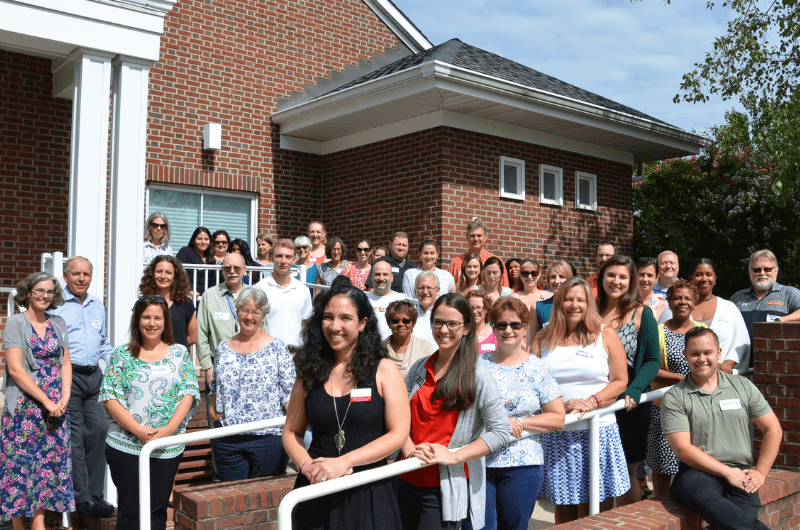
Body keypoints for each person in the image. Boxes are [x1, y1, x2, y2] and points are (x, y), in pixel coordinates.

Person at [282, 286, 410, 530]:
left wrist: (343, 462)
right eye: (328, 317)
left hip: (369, 489)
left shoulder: (384, 370)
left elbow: (398, 434)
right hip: (316, 490)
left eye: (345, 318)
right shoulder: (308, 371)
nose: (334, 326)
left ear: (363, 323)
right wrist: (308, 467)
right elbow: (291, 432)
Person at [398, 293, 512, 530]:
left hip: (443, 488)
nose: (444, 330)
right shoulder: (420, 367)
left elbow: (500, 430)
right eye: (438, 322)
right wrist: (408, 451)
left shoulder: (477, 375)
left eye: (453, 324)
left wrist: (455, 456)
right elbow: (399, 419)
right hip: (405, 478)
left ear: (467, 328)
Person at [662, 327, 782, 530]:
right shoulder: (675, 397)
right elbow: (682, 449)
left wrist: (760, 472)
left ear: (718, 353)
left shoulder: (742, 386)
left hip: (742, 473)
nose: (702, 359)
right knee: (711, 502)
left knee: (735, 524)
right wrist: (727, 472)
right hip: (697, 473)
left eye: (707, 352)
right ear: (686, 356)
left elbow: (773, 429)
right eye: (695, 353)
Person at [532, 277, 629, 523]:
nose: (574, 305)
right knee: (564, 506)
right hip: (558, 433)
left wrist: (592, 402)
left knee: (596, 506)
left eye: (580, 300)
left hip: (598, 429)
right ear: (558, 302)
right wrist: (559, 407)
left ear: (589, 304)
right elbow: (529, 386)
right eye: (568, 299)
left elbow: (619, 381)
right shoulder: (540, 339)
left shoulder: (605, 334)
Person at [100, 296, 199, 530]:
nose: (152, 323)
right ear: (137, 320)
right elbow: (109, 396)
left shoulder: (179, 353)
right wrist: (138, 430)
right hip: (126, 445)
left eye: (157, 318)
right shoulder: (122, 354)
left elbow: (188, 392)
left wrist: (168, 430)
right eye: (146, 317)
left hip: (166, 448)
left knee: (157, 509)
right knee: (130, 510)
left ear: (165, 322)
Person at [481, 297, 565, 530]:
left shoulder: (538, 368)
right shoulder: (477, 365)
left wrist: (519, 422)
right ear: (493, 328)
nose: (508, 330)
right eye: (501, 325)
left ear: (525, 328)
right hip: (481, 462)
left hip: (523, 464)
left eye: (515, 325)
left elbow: (557, 418)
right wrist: (500, 421)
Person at [1, 273, 74, 528]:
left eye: (50, 292)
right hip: (24, 405)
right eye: (40, 290)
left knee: (46, 464)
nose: (45, 295)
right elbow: (16, 370)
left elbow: (65, 362)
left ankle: (39, 522)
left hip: (55, 406)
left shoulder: (59, 322)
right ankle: (20, 526)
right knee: (19, 464)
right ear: (28, 292)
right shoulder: (15, 322)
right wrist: (47, 402)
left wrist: (64, 397)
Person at [51, 256, 114, 519]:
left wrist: (118, 367)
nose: (81, 279)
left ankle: (95, 495)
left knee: (99, 431)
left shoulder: (97, 305)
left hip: (94, 376)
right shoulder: (56, 307)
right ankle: (82, 500)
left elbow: (104, 344)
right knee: (74, 438)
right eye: (76, 274)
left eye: (86, 274)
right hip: (69, 377)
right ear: (65, 276)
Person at [208, 288, 294, 481]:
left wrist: (293, 422)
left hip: (268, 438)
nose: (249, 317)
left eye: (255, 312)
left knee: (264, 497)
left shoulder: (277, 347)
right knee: (231, 498)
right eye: (244, 311)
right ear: (237, 312)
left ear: (263, 315)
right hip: (228, 437)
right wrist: (214, 407)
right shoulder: (223, 347)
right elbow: (215, 385)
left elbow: (289, 391)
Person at [596, 255, 660, 506]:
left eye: (623, 277)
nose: (616, 281)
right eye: (611, 275)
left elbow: (652, 360)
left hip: (629, 406)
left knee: (627, 474)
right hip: (598, 404)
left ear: (631, 281)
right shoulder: (589, 312)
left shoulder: (642, 314)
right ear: (602, 278)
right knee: (598, 474)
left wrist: (634, 390)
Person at [646, 280, 706, 497]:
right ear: (669, 302)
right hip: (665, 408)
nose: (682, 302)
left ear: (694, 303)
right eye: (677, 297)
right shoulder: (657, 331)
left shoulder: (704, 331)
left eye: (687, 298)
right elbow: (650, 368)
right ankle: (661, 510)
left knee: (694, 464)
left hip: (698, 408)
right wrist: (682, 379)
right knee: (662, 464)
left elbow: (711, 365)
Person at [679, 258, 751, 372]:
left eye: (709, 274)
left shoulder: (729, 308)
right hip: (685, 377)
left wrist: (727, 364)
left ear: (715, 278)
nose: (704, 279)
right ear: (690, 278)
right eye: (698, 275)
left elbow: (742, 342)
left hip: (723, 376)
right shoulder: (680, 307)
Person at [730, 249, 800, 349]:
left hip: (775, 360)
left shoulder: (789, 294)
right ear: (750, 272)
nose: (762, 273)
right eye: (757, 270)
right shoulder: (737, 298)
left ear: (776, 271)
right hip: (740, 361)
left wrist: (780, 321)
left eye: (767, 269)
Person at [255, 239, 313, 350]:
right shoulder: (260, 288)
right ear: (272, 258)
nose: (283, 261)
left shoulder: (303, 290)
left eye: (288, 257)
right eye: (279, 256)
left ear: (294, 260)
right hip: (267, 351)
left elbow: (304, 325)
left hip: (295, 353)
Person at [138, 255, 198, 351]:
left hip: (178, 358)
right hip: (150, 356)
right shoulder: (143, 303)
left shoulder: (185, 303)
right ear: (152, 274)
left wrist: (170, 350)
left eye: (168, 273)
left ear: (175, 276)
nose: (163, 276)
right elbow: (138, 333)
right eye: (159, 271)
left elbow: (193, 337)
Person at [448, 219, 509, 287]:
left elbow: (504, 289)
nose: (476, 239)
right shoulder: (456, 262)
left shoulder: (496, 261)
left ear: (485, 237)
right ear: (467, 237)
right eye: (472, 236)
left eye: (479, 236)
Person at [382, 299, 434, 378]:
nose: (400, 324)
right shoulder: (379, 349)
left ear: (413, 323)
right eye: (395, 321)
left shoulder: (425, 347)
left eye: (406, 321)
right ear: (389, 324)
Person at [365, 261, 408, 340]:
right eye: (377, 274)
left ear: (391, 277)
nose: (381, 278)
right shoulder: (364, 299)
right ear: (372, 277)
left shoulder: (402, 299)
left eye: (385, 274)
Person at [530, 259, 574, 332]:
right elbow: (532, 341)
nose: (556, 281)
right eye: (553, 277)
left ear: (569, 279)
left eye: (561, 276)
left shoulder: (577, 306)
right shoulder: (537, 308)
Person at [176, 227, 213, 296]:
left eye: (206, 239)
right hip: (190, 297)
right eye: (199, 239)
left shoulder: (211, 258)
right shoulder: (185, 252)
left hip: (207, 298)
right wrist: (187, 291)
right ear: (193, 240)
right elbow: (178, 274)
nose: (203, 242)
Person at [411, 271, 440, 347]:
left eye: (429, 288)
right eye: (421, 288)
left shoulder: (444, 314)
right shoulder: (409, 314)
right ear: (415, 291)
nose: (425, 292)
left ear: (437, 291)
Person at [468, 290, 498, 354]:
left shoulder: (496, 333)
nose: (474, 312)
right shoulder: (462, 334)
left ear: (486, 309)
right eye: (471, 308)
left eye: (479, 307)